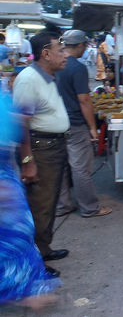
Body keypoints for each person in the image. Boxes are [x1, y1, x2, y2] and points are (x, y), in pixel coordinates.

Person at [12, 32, 70, 277]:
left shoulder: (48, 77)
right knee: (39, 207)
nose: (65, 55)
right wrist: (28, 162)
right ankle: (32, 264)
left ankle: (43, 249)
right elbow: (20, 123)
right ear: (45, 53)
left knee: (48, 203)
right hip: (39, 150)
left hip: (53, 147)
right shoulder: (29, 79)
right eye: (61, 50)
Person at [0, 91, 61, 310]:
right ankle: (19, 290)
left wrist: (27, 161)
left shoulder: (3, 97)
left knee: (20, 230)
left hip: (5, 171)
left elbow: (20, 129)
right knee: (10, 236)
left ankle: (23, 288)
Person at [55, 30, 112, 219]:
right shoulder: (76, 68)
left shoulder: (54, 64)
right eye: (84, 46)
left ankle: (63, 205)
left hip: (56, 122)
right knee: (80, 167)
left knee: (62, 165)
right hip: (75, 123)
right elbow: (84, 101)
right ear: (79, 46)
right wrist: (92, 127)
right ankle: (89, 207)